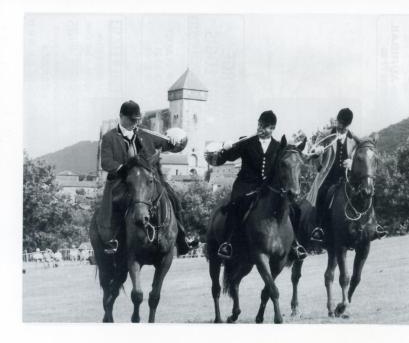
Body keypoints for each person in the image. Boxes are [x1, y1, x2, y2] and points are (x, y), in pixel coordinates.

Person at [98, 100, 196, 255]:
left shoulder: (145, 133)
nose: (135, 123)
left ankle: (183, 237)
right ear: (121, 117)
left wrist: (174, 142)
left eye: (137, 120)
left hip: (149, 180)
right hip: (123, 180)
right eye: (132, 120)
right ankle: (114, 239)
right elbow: (105, 162)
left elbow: (166, 143)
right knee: (116, 203)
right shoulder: (109, 137)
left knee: (173, 197)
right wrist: (123, 168)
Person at [206, 110, 307, 260]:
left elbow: (293, 159)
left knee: (294, 210)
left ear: (272, 128)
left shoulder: (278, 146)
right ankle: (227, 243)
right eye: (260, 124)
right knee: (236, 206)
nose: (261, 128)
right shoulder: (246, 142)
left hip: (268, 188)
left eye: (265, 126)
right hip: (245, 185)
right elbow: (224, 159)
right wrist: (224, 149)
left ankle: (294, 244)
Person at [307, 108, 387, 242]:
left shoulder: (354, 138)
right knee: (322, 193)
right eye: (339, 123)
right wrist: (318, 152)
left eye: (344, 125)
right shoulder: (326, 134)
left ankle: (374, 224)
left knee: (370, 190)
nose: (341, 126)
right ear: (337, 120)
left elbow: (360, 154)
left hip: (347, 176)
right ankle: (319, 228)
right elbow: (313, 151)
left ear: (348, 125)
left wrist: (351, 162)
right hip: (328, 174)